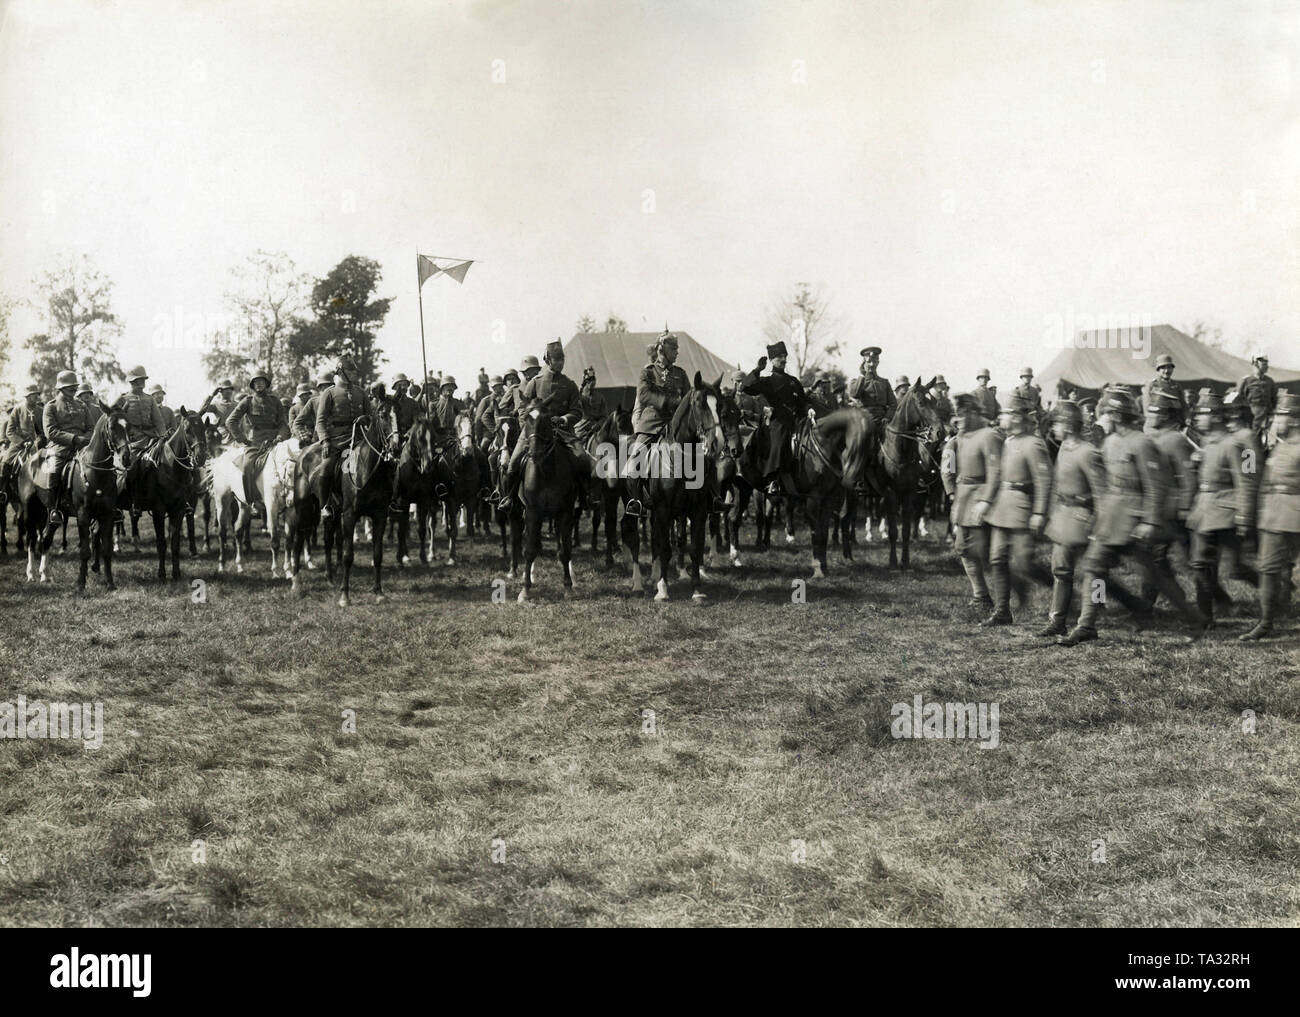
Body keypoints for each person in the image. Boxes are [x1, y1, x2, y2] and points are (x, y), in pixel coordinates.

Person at [1059, 387, 1208, 646]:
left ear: (1116, 415)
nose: (1103, 417)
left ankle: (1193, 618)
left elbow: (1155, 486)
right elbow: (1105, 484)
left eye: (1106, 412)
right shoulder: (1110, 442)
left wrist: (1149, 521)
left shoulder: (1142, 443)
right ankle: (1087, 624)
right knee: (1094, 568)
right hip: (1111, 517)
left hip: (1133, 520)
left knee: (1153, 574)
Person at [1187, 388, 1259, 627]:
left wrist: (1244, 516)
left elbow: (1246, 480)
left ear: (1216, 417)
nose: (1197, 418)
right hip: (1205, 510)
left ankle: (1275, 589)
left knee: (1232, 567)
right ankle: (1206, 616)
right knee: (1201, 565)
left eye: (1202, 414)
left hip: (1225, 513)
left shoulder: (1235, 443)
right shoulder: (1208, 444)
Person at [981, 393, 1052, 626]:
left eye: (1006, 413)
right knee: (997, 559)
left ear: (1018, 418)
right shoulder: (1007, 441)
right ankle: (1002, 611)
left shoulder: (1033, 444)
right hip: (1003, 507)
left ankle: (1066, 595)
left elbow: (1043, 481)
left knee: (1024, 564)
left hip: (1022, 509)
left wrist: (1040, 512)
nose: (1002, 417)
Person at [1037, 399, 1106, 637]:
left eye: (1056, 422)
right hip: (1064, 518)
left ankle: (1089, 623)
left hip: (1085, 518)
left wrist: (1098, 522)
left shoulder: (1088, 452)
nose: (1053, 427)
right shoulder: (1065, 448)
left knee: (1096, 574)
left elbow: (1101, 493)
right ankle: (1057, 621)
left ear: (1067, 424)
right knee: (1061, 571)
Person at [501, 340, 592, 508]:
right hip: (534, 431)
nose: (560, 363)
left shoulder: (569, 384)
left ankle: (583, 496)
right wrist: (535, 421)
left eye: (562, 359)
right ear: (548, 360)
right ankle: (509, 498)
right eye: (556, 359)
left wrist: (564, 418)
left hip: (563, 431)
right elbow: (523, 407)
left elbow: (577, 411)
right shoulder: (535, 382)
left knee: (583, 458)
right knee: (513, 463)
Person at [1241, 391, 1300, 639]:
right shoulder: (1278, 446)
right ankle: (1266, 622)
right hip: (1274, 515)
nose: (1276, 420)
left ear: (1295, 420)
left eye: (1281, 416)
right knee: (1268, 568)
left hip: (1294, 513)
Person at [623, 330, 691, 516]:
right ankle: (636, 502)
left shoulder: (681, 374)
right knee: (633, 464)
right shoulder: (648, 372)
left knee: (700, 459)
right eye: (674, 348)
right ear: (662, 349)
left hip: (675, 427)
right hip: (651, 425)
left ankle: (709, 498)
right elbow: (644, 395)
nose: (677, 352)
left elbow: (689, 398)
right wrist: (666, 402)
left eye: (677, 348)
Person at [948, 392, 1003, 612]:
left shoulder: (989, 435)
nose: (958, 419)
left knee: (995, 554)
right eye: (956, 414)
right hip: (965, 499)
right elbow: (952, 469)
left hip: (983, 499)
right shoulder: (960, 438)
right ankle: (981, 596)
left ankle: (1004, 604)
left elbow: (996, 471)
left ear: (972, 413)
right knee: (963, 547)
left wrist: (986, 501)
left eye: (962, 414)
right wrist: (954, 496)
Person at [741, 340, 810, 495]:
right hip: (776, 422)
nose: (784, 360)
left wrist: (809, 409)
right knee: (779, 439)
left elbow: (803, 402)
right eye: (779, 357)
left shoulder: (793, 381)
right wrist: (757, 370)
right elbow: (745, 387)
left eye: (785, 356)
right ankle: (773, 479)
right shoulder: (767, 381)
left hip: (797, 421)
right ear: (771, 360)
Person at [314, 356, 371, 519]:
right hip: (337, 440)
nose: (354, 374)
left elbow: (371, 416)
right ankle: (324, 505)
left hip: (360, 438)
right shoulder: (329, 393)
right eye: (350, 371)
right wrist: (325, 440)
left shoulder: (360, 392)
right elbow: (320, 421)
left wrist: (365, 419)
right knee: (326, 467)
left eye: (354, 371)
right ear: (341, 372)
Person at [225, 370, 290, 502]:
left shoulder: (275, 401)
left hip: (275, 442)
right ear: (252, 385)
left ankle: (289, 498)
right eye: (256, 382)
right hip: (255, 443)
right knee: (247, 468)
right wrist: (242, 439)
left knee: (291, 464)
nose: (259, 384)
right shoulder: (247, 401)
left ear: (266, 384)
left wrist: (280, 437)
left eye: (261, 381)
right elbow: (230, 421)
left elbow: (283, 423)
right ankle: (252, 501)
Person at [40, 371, 94, 524]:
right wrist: (74, 439)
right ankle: (54, 509)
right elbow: (50, 432)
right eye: (70, 386)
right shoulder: (50, 407)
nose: (74, 389)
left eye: (74, 386)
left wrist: (86, 439)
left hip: (83, 447)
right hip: (59, 447)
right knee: (53, 471)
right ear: (61, 387)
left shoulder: (82, 405)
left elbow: (91, 427)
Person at [1, 384, 44, 493]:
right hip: (19, 445)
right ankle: (3, 491)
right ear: (27, 396)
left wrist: (40, 438)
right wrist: (22, 442)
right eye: (33, 394)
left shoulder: (41, 410)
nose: (36, 397)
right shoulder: (18, 409)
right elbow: (9, 432)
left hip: (38, 444)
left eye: (37, 394)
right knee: (5, 462)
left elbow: (44, 430)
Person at [1235, 354, 1278, 447]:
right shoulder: (1246, 380)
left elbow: (1274, 399)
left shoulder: (1270, 381)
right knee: (1252, 442)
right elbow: (1238, 400)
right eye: (1264, 363)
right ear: (1255, 363)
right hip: (1251, 417)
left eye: (1267, 363)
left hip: (1267, 418)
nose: (1267, 365)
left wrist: (1272, 414)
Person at [1146, 353, 1187, 424]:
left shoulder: (1176, 385)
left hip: (1174, 422)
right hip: (1155, 422)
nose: (1167, 371)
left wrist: (1187, 418)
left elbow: (1183, 405)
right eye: (1163, 368)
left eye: (1169, 367)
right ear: (1158, 370)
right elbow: (1146, 405)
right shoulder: (1152, 384)